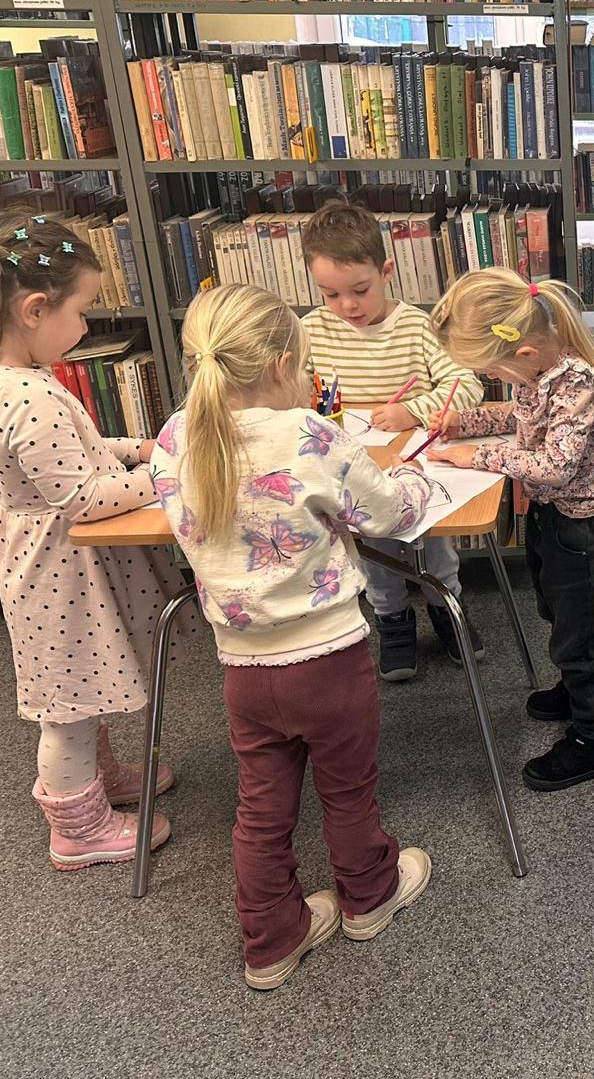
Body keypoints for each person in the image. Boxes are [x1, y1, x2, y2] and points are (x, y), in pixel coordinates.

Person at [154, 284, 434, 990]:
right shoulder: (312, 434)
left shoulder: (175, 439)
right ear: (283, 365)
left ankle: (271, 939)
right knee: (347, 790)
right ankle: (369, 895)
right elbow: (387, 515)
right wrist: (415, 482)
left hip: (243, 668)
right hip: (328, 661)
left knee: (260, 806)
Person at [0, 212, 181, 871]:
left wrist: (136, 448)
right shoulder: (28, 395)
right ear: (36, 309)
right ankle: (79, 828)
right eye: (83, 311)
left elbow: (72, 452)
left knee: (83, 680)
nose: (88, 326)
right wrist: (165, 476)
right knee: (66, 706)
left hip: (40, 552)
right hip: (59, 566)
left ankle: (97, 782)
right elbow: (84, 497)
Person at [426, 268, 594, 792]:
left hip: (584, 531)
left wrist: (477, 457)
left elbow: (554, 467)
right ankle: (579, 691)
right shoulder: (540, 373)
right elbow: (520, 416)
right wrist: (465, 423)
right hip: (554, 521)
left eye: (494, 371)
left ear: (524, 354)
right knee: (561, 618)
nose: (500, 381)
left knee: (581, 637)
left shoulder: (577, 384)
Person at [299, 200, 484, 680]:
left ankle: (446, 604)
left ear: (387, 271)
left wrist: (413, 409)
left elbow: (466, 384)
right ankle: (391, 618)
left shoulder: (416, 326)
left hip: (416, 460)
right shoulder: (311, 330)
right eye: (330, 294)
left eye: (360, 290)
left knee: (434, 541)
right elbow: (291, 391)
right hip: (350, 465)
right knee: (372, 547)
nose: (347, 306)